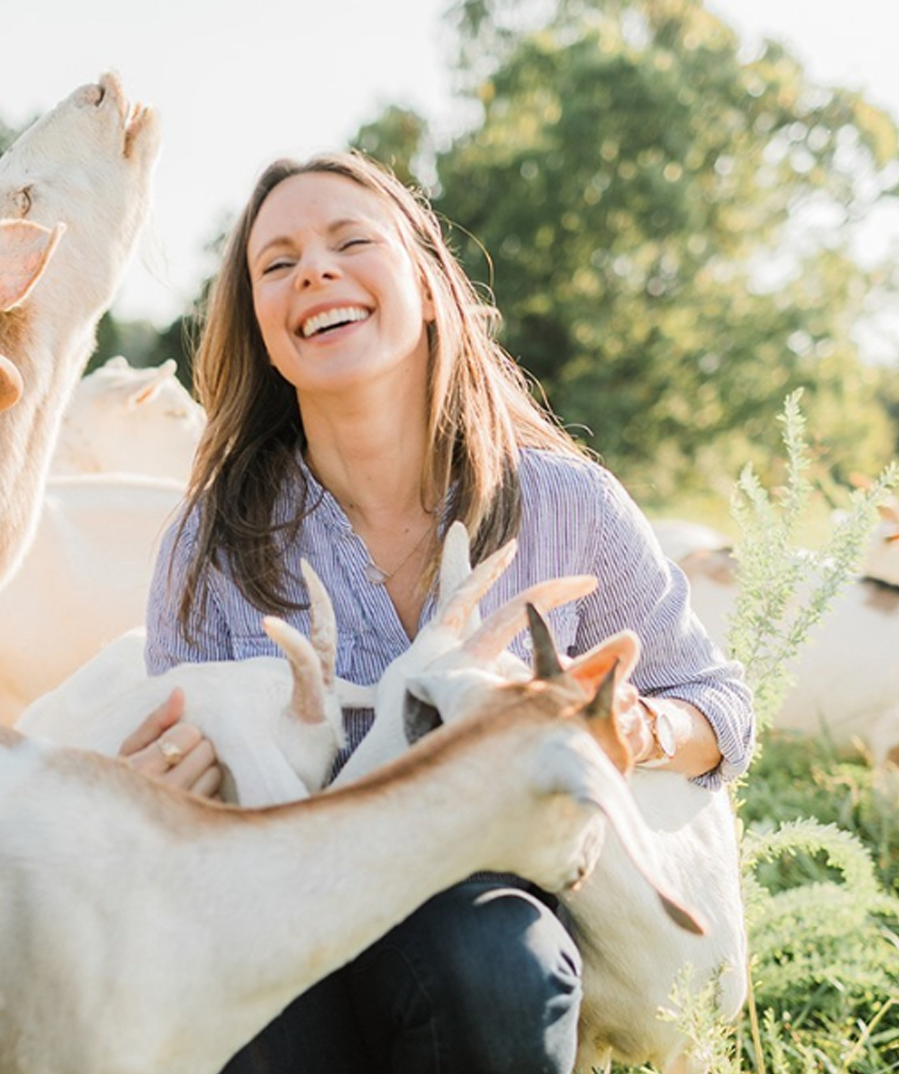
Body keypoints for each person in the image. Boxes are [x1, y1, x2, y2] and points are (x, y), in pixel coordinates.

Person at [124, 150, 755, 1074]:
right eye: (278, 262)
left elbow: (720, 705)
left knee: (496, 959)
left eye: (349, 241)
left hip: (488, 914)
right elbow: (177, 787)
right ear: (262, 325)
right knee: (230, 1006)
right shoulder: (213, 543)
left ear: (428, 290)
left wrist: (639, 724)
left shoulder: (564, 503)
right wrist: (153, 795)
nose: (315, 271)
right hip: (285, 917)